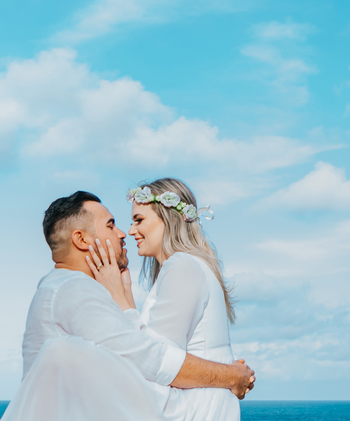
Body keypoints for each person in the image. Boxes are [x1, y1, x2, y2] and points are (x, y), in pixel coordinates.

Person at [0, 191, 255, 421]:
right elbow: (150, 359)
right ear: (82, 239)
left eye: (136, 221)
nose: (124, 232)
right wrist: (232, 376)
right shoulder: (75, 289)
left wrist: (123, 297)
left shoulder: (62, 286)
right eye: (111, 225)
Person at [88, 178, 241, 421]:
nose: (131, 231)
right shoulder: (189, 267)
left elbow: (158, 362)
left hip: (195, 410)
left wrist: (119, 299)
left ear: (168, 219)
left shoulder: (182, 266)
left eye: (139, 220)